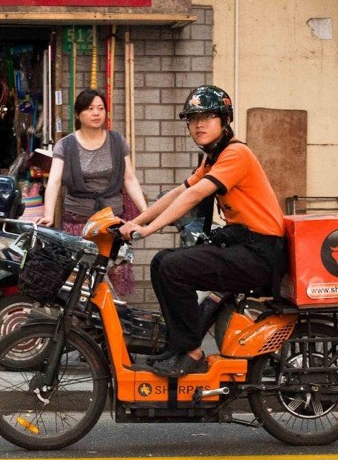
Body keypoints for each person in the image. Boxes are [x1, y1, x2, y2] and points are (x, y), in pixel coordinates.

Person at [120, 85, 285, 377]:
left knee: (173, 267)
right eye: (193, 119)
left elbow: (193, 197)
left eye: (208, 117)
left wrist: (147, 231)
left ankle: (191, 351)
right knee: (161, 262)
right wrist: (136, 222)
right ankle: (177, 346)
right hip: (244, 247)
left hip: (260, 254)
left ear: (225, 121)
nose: (199, 125)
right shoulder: (214, 158)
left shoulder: (236, 154)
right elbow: (179, 192)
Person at [38, 89, 148, 295]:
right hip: (78, 221)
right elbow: (54, 181)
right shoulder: (66, 145)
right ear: (78, 115)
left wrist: (145, 211)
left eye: (100, 108)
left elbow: (130, 178)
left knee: (111, 274)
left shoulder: (117, 141)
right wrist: (48, 215)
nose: (96, 113)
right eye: (90, 109)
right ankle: (79, 321)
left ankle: (110, 320)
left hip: (112, 222)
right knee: (78, 278)